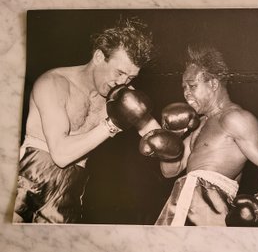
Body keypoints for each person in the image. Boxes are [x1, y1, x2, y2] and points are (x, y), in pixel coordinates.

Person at [13, 17, 165, 223]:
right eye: (119, 72)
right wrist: (112, 124)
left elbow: (160, 141)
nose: (122, 82)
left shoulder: (123, 96)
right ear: (99, 57)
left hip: (72, 187)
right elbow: (61, 154)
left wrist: (175, 137)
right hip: (29, 175)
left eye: (131, 78)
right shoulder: (54, 83)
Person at [140, 43, 258, 226]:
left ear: (213, 83)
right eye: (184, 87)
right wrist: (170, 139)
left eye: (192, 86)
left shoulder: (235, 118)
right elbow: (171, 170)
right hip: (179, 203)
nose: (186, 93)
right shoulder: (199, 124)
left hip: (207, 211)